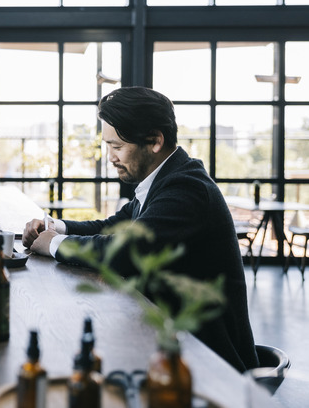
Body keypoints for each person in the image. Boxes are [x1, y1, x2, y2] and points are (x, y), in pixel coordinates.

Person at [22, 86, 259, 373]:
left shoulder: (187, 188)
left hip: (210, 362)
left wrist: (54, 244)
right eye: (108, 145)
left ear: (155, 141)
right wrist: (54, 226)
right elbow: (114, 226)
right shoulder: (163, 179)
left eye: (117, 146)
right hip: (175, 343)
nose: (110, 157)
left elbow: (127, 250)